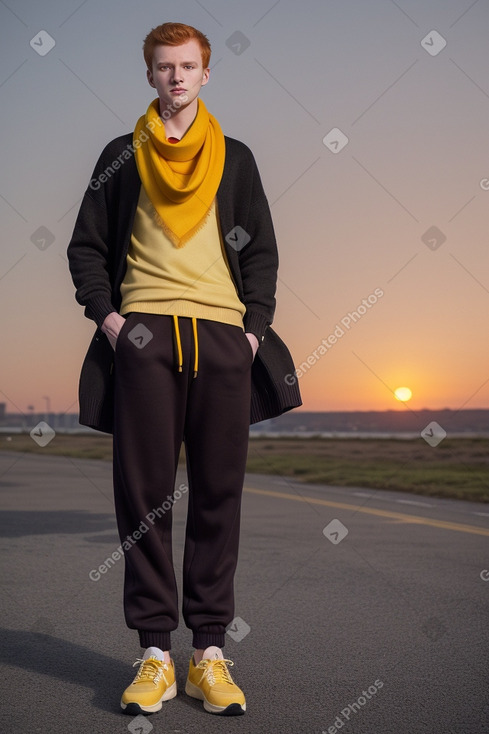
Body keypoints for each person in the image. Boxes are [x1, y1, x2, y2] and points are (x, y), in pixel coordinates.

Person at [67, 21, 301, 717]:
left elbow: (259, 252)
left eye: (188, 66)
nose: (176, 77)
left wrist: (252, 333)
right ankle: (154, 656)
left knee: (217, 498)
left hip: (223, 342)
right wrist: (112, 322)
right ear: (149, 76)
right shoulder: (120, 155)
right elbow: (86, 248)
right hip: (145, 338)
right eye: (164, 67)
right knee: (143, 502)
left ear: (205, 75)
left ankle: (208, 656)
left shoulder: (235, 158)